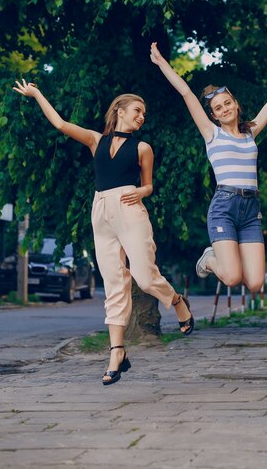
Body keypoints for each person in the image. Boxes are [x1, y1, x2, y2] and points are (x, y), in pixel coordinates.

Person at [13, 80, 194, 385]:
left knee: (144, 276)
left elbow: (149, 184)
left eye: (144, 114)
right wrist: (37, 94)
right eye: (137, 110)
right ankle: (117, 353)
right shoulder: (96, 141)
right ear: (120, 110)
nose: (141, 116)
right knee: (113, 283)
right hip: (101, 212)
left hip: (130, 208)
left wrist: (142, 192)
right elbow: (60, 124)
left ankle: (176, 300)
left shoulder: (143, 147)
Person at [150, 42, 267, 294]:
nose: (224, 109)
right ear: (214, 115)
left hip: (251, 210)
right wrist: (163, 64)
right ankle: (209, 258)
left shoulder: (251, 132)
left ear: (236, 104)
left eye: (227, 103)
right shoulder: (211, 134)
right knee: (231, 277)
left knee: (256, 283)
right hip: (224, 207)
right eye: (218, 108)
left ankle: (223, 255)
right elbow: (187, 94)